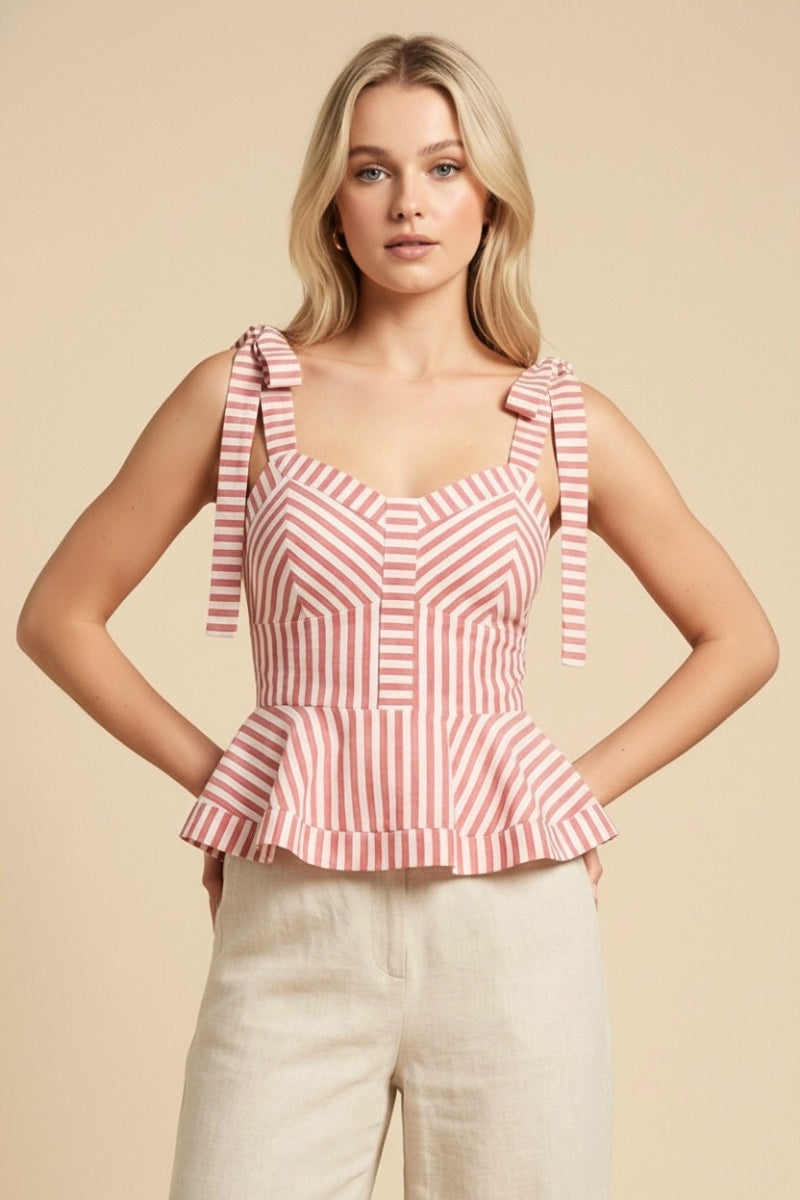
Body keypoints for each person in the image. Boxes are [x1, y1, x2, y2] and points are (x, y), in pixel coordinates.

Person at [16, 32, 778, 1200]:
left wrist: (571, 792)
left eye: (442, 167)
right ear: (331, 202)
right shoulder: (242, 394)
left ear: (490, 198)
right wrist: (231, 783)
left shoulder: (556, 418)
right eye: (370, 170)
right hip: (292, 919)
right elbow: (59, 615)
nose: (407, 203)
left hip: (511, 929)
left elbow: (740, 639)